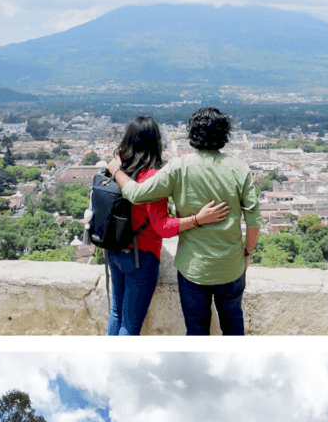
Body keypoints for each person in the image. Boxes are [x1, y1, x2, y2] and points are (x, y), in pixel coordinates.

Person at [107, 107, 262, 335]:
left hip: (193, 267)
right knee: (233, 328)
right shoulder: (239, 169)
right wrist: (247, 254)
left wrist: (116, 171)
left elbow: (137, 194)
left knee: (196, 331)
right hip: (231, 266)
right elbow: (253, 221)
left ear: (192, 134)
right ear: (224, 135)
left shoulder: (179, 167)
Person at [94, 116, 228, 335]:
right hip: (141, 255)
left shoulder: (117, 170)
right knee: (130, 325)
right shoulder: (152, 176)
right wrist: (198, 219)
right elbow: (163, 227)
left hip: (113, 251)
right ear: (156, 143)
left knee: (116, 314)